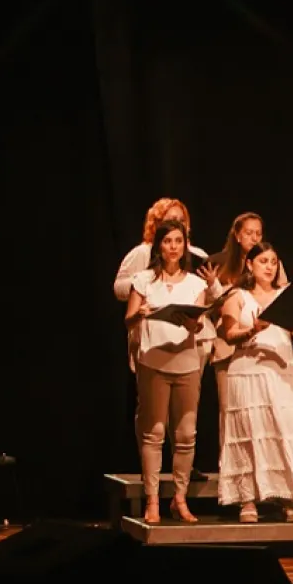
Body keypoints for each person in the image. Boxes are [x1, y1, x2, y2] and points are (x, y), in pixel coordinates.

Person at [213, 242, 293, 522]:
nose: (269, 267)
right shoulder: (237, 296)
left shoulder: (286, 295)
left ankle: (289, 496)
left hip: (281, 371)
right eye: (263, 261)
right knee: (250, 432)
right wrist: (253, 329)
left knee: (283, 430)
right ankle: (247, 500)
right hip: (247, 372)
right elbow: (229, 334)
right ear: (250, 264)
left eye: (273, 261)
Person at [122, 219, 212, 524]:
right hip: (154, 362)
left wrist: (192, 323)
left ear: (185, 245)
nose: (173, 247)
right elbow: (128, 320)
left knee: (186, 434)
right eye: (167, 241)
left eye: (178, 241)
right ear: (159, 246)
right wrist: (140, 314)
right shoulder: (144, 280)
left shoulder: (196, 283)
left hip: (186, 362)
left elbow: (197, 324)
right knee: (155, 432)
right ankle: (152, 500)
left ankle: (180, 499)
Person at [114, 198, 211, 301]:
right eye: (172, 220)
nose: (178, 224)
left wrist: (212, 284)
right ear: (157, 224)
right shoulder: (143, 252)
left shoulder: (198, 254)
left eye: (182, 220)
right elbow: (118, 288)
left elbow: (211, 298)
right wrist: (142, 282)